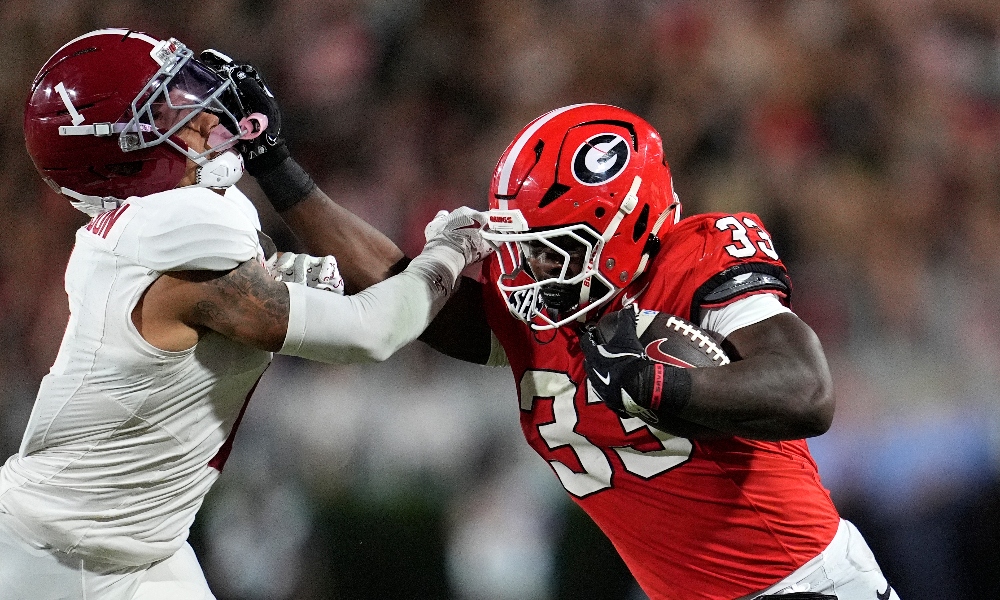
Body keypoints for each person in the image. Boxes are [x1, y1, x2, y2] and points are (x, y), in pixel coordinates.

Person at [244, 99, 899, 598]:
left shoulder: (693, 262)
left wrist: (660, 386)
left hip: (806, 586)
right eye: (525, 243)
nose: (528, 266)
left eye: (551, 245)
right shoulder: (551, 304)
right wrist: (276, 166)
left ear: (622, 225)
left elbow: (807, 392)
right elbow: (400, 292)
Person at [0, 28, 490, 600]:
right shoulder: (173, 243)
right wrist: (446, 253)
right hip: (53, 560)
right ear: (120, 153)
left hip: (142, 546)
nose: (207, 119)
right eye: (167, 110)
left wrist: (277, 189)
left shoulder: (155, 235)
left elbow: (310, 283)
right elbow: (372, 333)